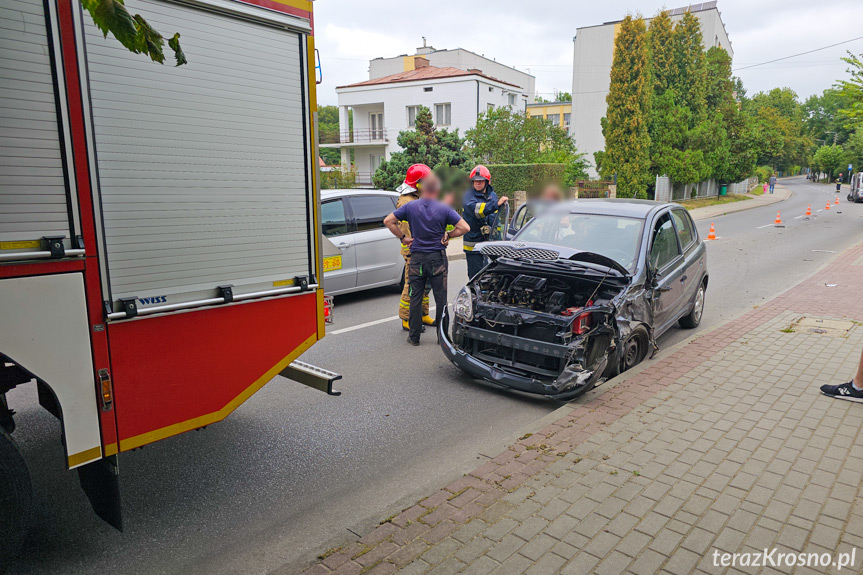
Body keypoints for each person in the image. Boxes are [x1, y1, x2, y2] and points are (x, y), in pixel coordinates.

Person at [384, 172, 469, 346]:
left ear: (421, 188)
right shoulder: (444, 208)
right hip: (437, 259)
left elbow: (388, 221)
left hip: (416, 259)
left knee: (415, 296)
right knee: (440, 298)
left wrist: (403, 238)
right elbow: (464, 227)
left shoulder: (411, 207)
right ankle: (442, 338)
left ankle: (414, 337)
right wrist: (449, 235)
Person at [394, 164, 434, 331]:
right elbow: (405, 231)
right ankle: (406, 318)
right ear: (417, 183)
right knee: (411, 284)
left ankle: (423, 314)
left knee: (424, 284)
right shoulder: (406, 202)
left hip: (423, 249)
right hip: (414, 251)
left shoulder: (416, 197)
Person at [463, 165, 507, 279]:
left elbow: (496, 218)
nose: (477, 183)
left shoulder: (492, 195)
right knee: (476, 277)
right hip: (474, 245)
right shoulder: (468, 196)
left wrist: (498, 238)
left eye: (481, 181)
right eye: (475, 181)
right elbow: (477, 210)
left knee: (492, 276)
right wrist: (495, 204)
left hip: (491, 244)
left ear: (487, 181)